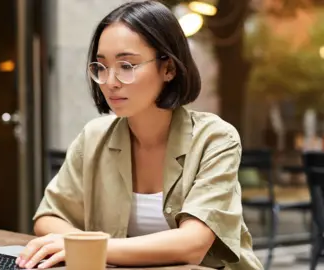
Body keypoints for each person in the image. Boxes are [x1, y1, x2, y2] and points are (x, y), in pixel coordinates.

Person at [16, 1, 263, 269]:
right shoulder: (94, 136)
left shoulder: (215, 138)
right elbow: (49, 216)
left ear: (168, 68)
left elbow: (192, 244)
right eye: (101, 66)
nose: (110, 81)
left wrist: (86, 246)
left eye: (127, 65)